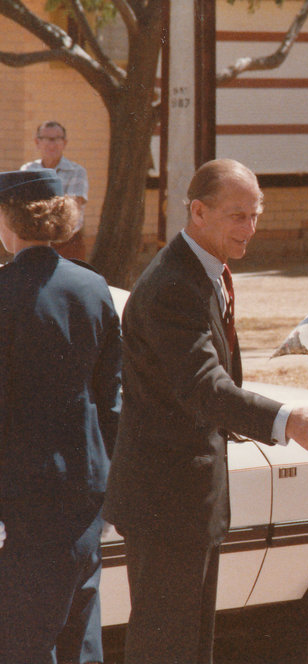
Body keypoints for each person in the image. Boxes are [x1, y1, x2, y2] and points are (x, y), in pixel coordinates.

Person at [102, 158, 308, 664]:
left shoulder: (203, 271)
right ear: (198, 212)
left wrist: (284, 413)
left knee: (191, 646)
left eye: (255, 215)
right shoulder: (174, 283)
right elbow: (204, 387)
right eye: (238, 215)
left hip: (189, 500)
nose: (250, 228)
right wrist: (288, 420)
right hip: (165, 501)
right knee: (166, 646)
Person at [0, 169, 121, 664]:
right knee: (80, 632)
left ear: (8, 221)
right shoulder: (93, 288)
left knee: (25, 643)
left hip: (22, 500)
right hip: (86, 491)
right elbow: (112, 400)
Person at [20, 121, 89, 260]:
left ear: (65, 143)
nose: (52, 144)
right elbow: (22, 208)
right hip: (33, 243)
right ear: (37, 142)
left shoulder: (77, 172)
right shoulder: (27, 170)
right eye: (46, 139)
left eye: (57, 139)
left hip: (68, 242)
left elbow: (72, 212)